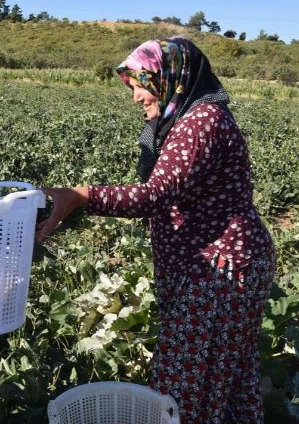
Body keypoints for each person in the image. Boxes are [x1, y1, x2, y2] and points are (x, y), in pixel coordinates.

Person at [36, 36, 275, 423]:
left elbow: (155, 195)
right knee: (225, 376)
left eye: (140, 84)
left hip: (219, 270)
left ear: (170, 78)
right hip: (221, 264)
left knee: (182, 387)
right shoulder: (187, 119)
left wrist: (82, 196)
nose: (135, 97)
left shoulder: (201, 123)